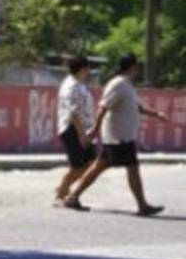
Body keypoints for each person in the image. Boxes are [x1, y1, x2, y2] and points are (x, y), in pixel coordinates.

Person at [63, 53, 168, 216]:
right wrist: (95, 129)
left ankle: (73, 196)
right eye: (136, 66)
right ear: (132, 67)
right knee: (132, 167)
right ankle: (142, 205)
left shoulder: (126, 85)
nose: (137, 70)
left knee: (98, 167)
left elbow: (137, 108)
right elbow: (103, 107)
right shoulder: (118, 84)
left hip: (120, 136)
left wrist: (156, 114)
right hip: (118, 137)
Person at [54, 56, 97, 205]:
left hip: (83, 130)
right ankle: (61, 193)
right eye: (87, 68)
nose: (89, 71)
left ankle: (65, 192)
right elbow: (73, 113)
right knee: (78, 166)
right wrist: (82, 135)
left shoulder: (78, 84)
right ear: (82, 68)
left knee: (91, 164)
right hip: (73, 130)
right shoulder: (72, 86)